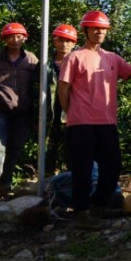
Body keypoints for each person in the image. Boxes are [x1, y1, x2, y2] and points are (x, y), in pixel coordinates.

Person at [58, 10, 131, 228]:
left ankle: (99, 204)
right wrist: (70, 112)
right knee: (82, 168)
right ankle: (81, 212)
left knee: (113, 165)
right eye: (95, 28)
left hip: (106, 122)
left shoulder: (112, 58)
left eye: (103, 29)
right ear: (86, 30)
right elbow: (63, 88)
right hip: (81, 122)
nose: (99, 32)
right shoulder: (74, 57)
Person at [0, 22, 40, 198]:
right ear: (4, 39)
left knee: (15, 149)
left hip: (23, 112)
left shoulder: (31, 60)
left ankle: (5, 185)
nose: (15, 40)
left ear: (25, 38)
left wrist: (37, 115)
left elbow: (37, 88)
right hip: (0, 110)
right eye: (11, 37)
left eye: (19, 36)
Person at [45, 24, 77, 175]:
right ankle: (46, 181)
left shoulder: (79, 62)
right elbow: (34, 89)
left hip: (72, 113)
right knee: (48, 150)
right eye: (60, 40)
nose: (64, 44)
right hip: (49, 114)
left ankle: (73, 181)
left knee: (72, 149)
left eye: (68, 41)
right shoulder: (45, 65)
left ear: (74, 43)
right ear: (54, 41)